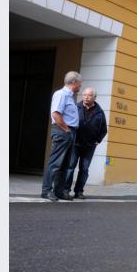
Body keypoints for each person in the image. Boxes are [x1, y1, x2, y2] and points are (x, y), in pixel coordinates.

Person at [40, 71, 82, 201]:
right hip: (62, 131)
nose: (80, 86)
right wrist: (67, 130)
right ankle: (46, 191)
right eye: (80, 83)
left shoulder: (70, 97)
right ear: (74, 82)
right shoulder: (61, 95)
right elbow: (56, 114)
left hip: (69, 132)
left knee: (64, 164)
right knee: (55, 163)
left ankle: (59, 191)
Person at [64, 87, 107, 199]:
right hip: (75, 143)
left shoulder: (100, 112)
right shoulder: (75, 107)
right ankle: (65, 190)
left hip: (89, 145)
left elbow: (104, 129)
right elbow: (68, 122)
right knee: (70, 167)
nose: (86, 97)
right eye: (84, 95)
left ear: (94, 97)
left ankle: (79, 192)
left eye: (89, 95)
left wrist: (98, 140)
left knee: (84, 169)